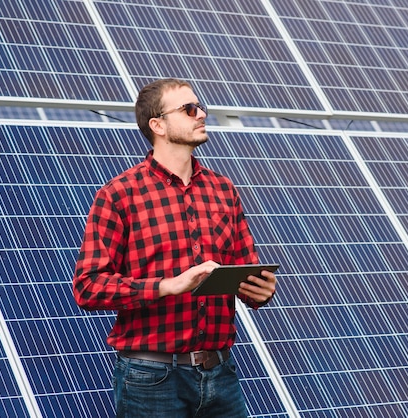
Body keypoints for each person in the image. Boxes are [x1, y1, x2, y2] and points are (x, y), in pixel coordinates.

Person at [73, 78, 277, 417]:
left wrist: (261, 289)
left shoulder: (223, 189)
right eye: (189, 109)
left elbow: (246, 270)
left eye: (200, 107)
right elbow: (88, 286)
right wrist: (169, 286)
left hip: (220, 374)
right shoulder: (120, 194)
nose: (202, 115)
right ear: (158, 125)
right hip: (150, 379)